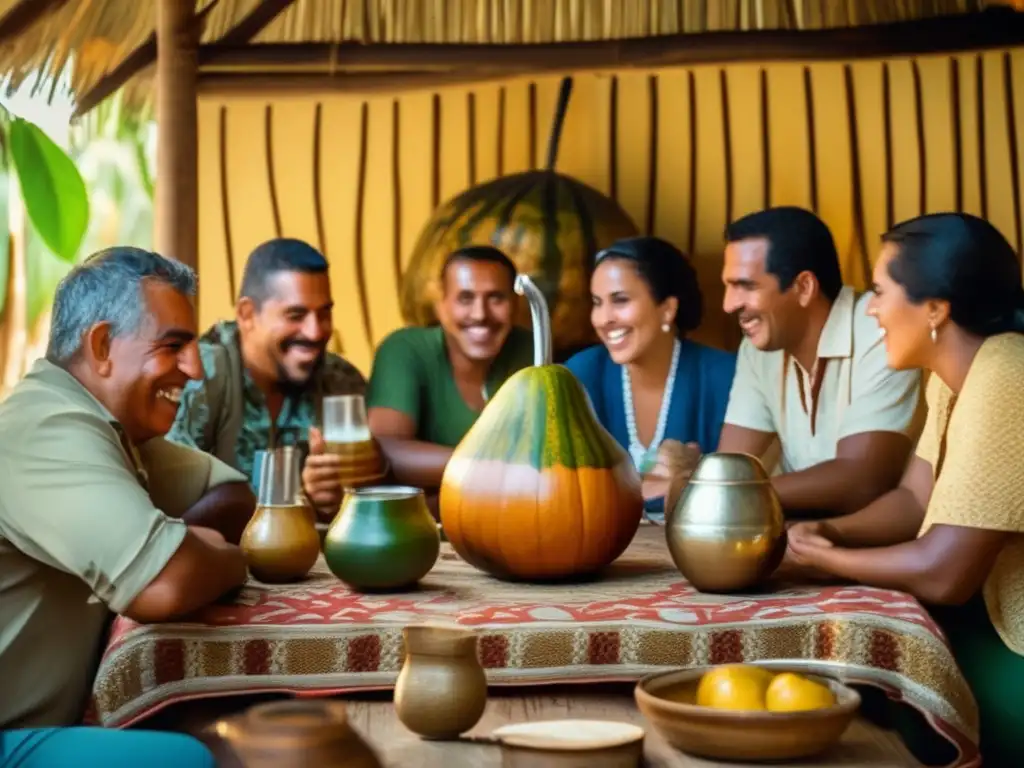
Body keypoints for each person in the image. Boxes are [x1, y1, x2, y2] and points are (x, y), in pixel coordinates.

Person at [785, 213, 1024, 766]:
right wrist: (830, 531)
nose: (870, 309)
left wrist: (834, 561)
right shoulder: (952, 375)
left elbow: (945, 572)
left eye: (878, 292)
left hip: (1013, 648)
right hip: (987, 621)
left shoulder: (1007, 377)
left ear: (936, 309)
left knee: (872, 687)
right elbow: (914, 500)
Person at [0, 247, 250, 764]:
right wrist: (223, 559)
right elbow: (164, 585)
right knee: (211, 757)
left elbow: (231, 493)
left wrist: (179, 544)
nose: (197, 369)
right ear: (102, 346)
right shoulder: (46, 430)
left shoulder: (111, 435)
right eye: (174, 346)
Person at [717, 206, 922, 518]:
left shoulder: (880, 328)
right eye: (728, 286)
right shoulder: (757, 346)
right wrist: (714, 485)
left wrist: (716, 490)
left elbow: (862, 480)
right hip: (807, 544)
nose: (729, 305)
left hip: (886, 548)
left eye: (746, 286)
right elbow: (730, 464)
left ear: (804, 287)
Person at [303, 245, 533, 516]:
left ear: (515, 305)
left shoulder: (533, 352)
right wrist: (493, 469)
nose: (480, 313)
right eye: (465, 298)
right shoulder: (405, 349)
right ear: (442, 306)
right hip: (421, 529)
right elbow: (385, 450)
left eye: (496, 298)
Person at [167, 238, 366, 496]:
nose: (315, 332)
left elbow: (368, 491)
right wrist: (300, 495)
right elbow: (170, 498)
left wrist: (336, 501)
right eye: (296, 315)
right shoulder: (200, 374)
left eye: (324, 314)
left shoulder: (341, 382)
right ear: (247, 314)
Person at [563, 236, 737, 519]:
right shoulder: (580, 374)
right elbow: (561, 490)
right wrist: (683, 481)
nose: (604, 318)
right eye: (597, 302)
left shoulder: (726, 376)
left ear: (667, 308)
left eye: (620, 300)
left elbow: (740, 491)